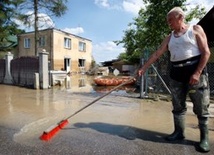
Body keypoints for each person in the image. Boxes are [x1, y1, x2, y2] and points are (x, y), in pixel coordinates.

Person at [138, 7, 211, 152]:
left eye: (170, 20)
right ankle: (179, 133)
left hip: (194, 74)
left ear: (180, 17)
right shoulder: (169, 37)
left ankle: (204, 138)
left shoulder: (195, 29)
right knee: (178, 107)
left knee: (201, 107)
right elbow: (157, 54)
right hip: (176, 75)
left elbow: (206, 52)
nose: (168, 23)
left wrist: (197, 73)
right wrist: (143, 68)